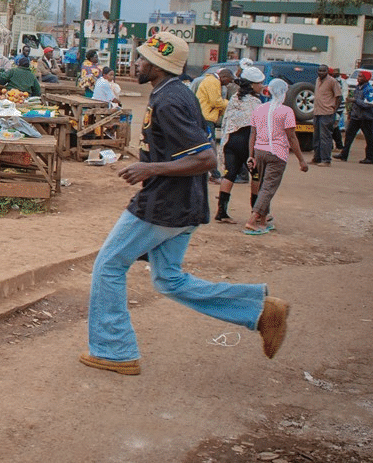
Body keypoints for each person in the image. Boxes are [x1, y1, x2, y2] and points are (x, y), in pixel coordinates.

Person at [79, 31, 289, 377]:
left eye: (143, 59)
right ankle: (259, 310)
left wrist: (150, 168)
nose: (137, 63)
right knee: (168, 279)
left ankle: (114, 350)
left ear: (159, 65)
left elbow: (206, 158)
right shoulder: (172, 93)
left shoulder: (170, 100)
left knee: (108, 266)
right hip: (182, 204)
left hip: (164, 203)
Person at [244, 78, 309, 234]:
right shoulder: (286, 111)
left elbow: (253, 133)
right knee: (268, 188)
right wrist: (301, 160)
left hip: (259, 151)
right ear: (284, 93)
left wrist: (251, 155)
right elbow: (292, 137)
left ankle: (263, 220)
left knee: (262, 186)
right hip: (277, 154)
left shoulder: (259, 109)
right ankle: (253, 220)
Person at [215, 66, 265, 223]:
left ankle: (221, 212)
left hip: (231, 142)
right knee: (256, 176)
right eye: (260, 83)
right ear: (252, 85)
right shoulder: (256, 102)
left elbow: (227, 121)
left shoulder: (234, 99)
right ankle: (255, 212)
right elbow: (259, 127)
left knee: (229, 175)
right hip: (247, 144)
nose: (262, 86)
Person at [196, 67, 234, 183]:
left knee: (205, 147)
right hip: (206, 118)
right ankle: (215, 175)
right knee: (211, 148)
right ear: (224, 77)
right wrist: (230, 103)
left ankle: (207, 173)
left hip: (204, 117)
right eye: (229, 81)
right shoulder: (213, 82)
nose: (228, 84)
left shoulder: (211, 81)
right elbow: (216, 101)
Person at [334, 70, 373, 164]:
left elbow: (368, 104)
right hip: (356, 117)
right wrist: (351, 113)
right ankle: (344, 155)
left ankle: (370, 158)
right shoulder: (358, 88)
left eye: (361, 76)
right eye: (358, 76)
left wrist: (355, 100)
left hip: (366, 118)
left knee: (370, 138)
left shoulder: (369, 89)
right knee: (348, 136)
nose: (358, 78)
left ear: (366, 78)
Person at [310, 64, 341, 166]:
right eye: (319, 71)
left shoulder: (332, 81)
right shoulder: (317, 80)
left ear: (327, 71)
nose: (321, 73)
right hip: (317, 112)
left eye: (323, 71)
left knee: (325, 137)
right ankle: (317, 158)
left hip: (327, 113)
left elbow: (339, 96)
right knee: (316, 137)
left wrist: (334, 110)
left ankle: (326, 160)